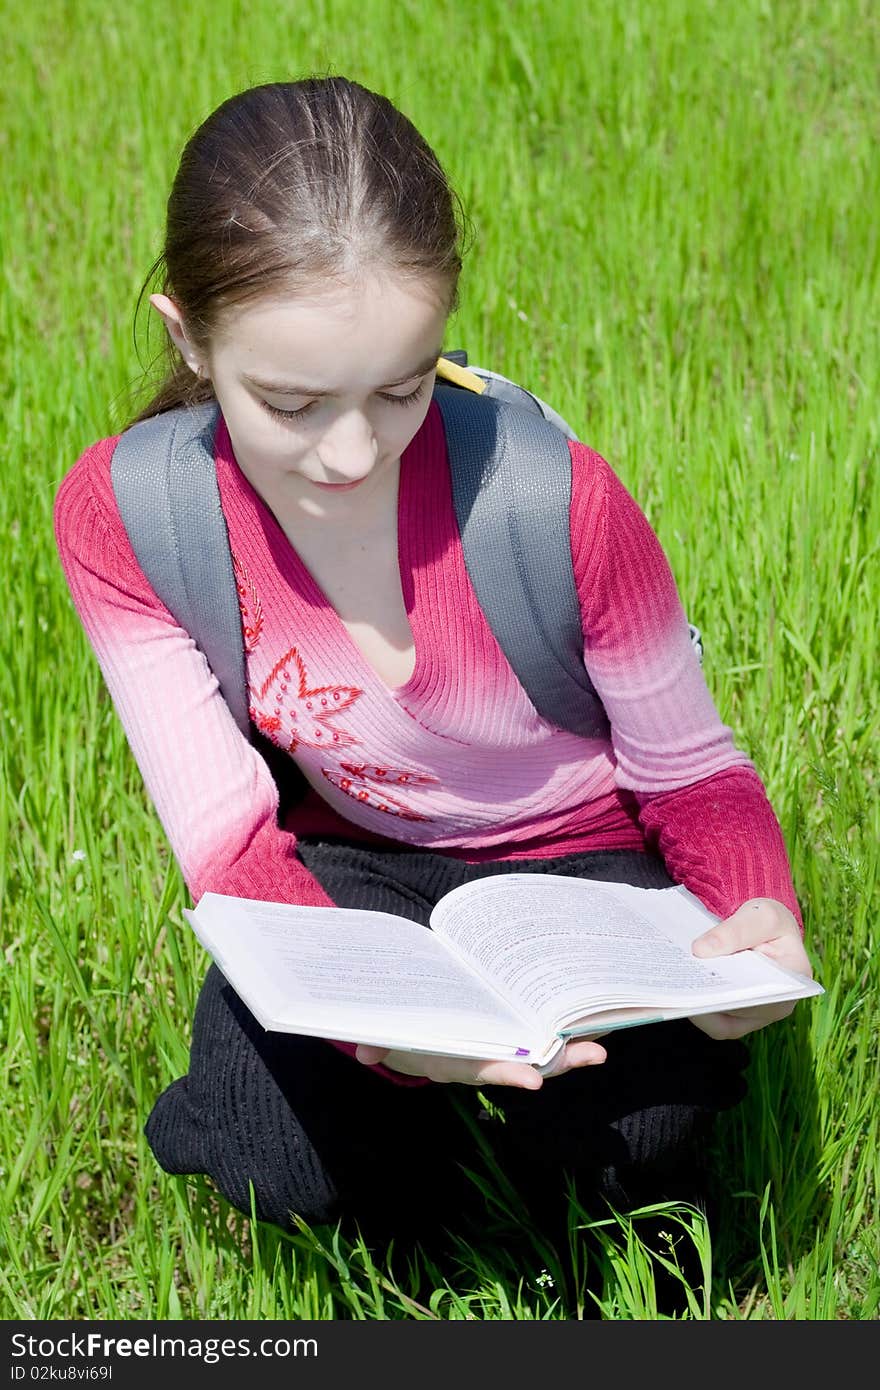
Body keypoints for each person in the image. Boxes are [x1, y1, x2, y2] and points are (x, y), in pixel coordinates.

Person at [53, 76, 812, 1261]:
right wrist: (375, 1027)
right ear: (187, 338)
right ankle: (417, 1198)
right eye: (291, 403)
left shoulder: (553, 499)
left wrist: (756, 906)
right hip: (357, 858)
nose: (351, 453)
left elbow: (694, 775)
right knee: (266, 1147)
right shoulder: (128, 512)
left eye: (403, 389)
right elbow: (228, 845)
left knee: (642, 1119)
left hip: (579, 865)